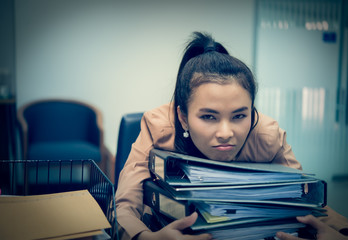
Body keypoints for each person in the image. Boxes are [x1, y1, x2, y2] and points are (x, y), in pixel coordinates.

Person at [115, 31, 301, 240]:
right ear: (183, 117)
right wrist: (146, 238)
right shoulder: (158, 127)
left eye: (239, 115)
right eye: (209, 117)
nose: (225, 133)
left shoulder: (268, 135)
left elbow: (309, 200)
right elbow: (124, 205)